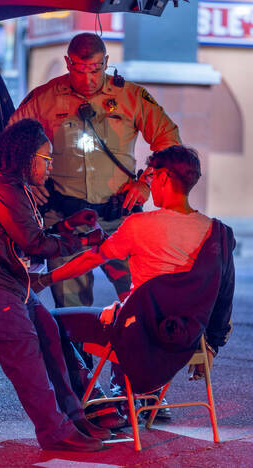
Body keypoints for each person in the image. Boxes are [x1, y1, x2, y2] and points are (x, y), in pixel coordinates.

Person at [9, 32, 181, 424]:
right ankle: (89, 392)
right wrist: (31, 186)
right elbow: (12, 141)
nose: (87, 79)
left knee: (140, 301)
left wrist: (146, 182)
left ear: (107, 64)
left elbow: (169, 141)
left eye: (95, 69)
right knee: (73, 309)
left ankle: (144, 388)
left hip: (120, 219)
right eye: (79, 69)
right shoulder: (45, 98)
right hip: (68, 222)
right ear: (68, 63)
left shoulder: (131, 96)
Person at [0, 118, 112, 452]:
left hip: (6, 280)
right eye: (46, 159)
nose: (50, 166)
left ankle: (74, 418)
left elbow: (30, 235)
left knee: (50, 331)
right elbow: (34, 244)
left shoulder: (10, 187)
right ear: (26, 156)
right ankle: (54, 433)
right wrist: (83, 242)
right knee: (26, 351)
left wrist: (68, 224)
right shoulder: (2, 187)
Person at [32, 146, 234, 398]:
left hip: (139, 335)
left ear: (164, 178)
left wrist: (44, 279)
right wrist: (212, 345)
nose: (149, 185)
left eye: (151, 177)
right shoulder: (219, 233)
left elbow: (91, 259)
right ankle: (130, 396)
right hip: (184, 340)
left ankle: (94, 398)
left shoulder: (138, 226)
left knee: (44, 319)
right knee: (124, 308)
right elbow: (224, 297)